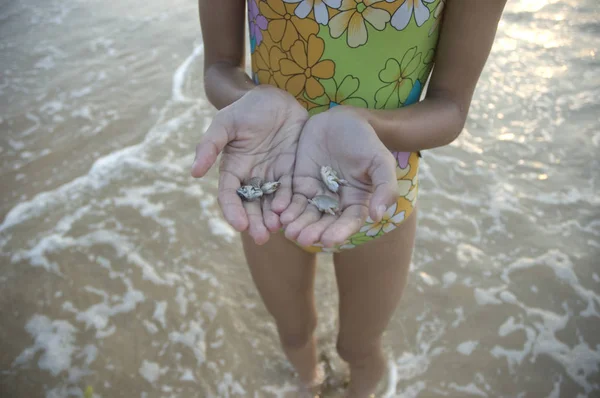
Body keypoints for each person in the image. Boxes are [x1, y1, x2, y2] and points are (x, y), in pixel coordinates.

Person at [191, 0, 507, 396]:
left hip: (378, 188)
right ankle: (310, 384)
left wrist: (366, 122)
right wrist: (250, 99)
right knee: (293, 332)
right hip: (270, 174)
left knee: (358, 347)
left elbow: (451, 106)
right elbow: (219, 67)